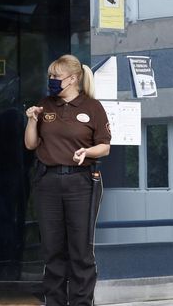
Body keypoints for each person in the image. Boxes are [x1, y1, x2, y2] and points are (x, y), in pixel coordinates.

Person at [24, 54, 110, 306]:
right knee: (52, 249)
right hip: (47, 181)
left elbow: (104, 147)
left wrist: (87, 152)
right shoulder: (45, 105)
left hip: (81, 182)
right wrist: (31, 120)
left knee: (80, 250)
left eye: (56, 77)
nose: (51, 81)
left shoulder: (92, 107)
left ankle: (82, 303)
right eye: (50, 76)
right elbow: (31, 144)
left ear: (72, 79)